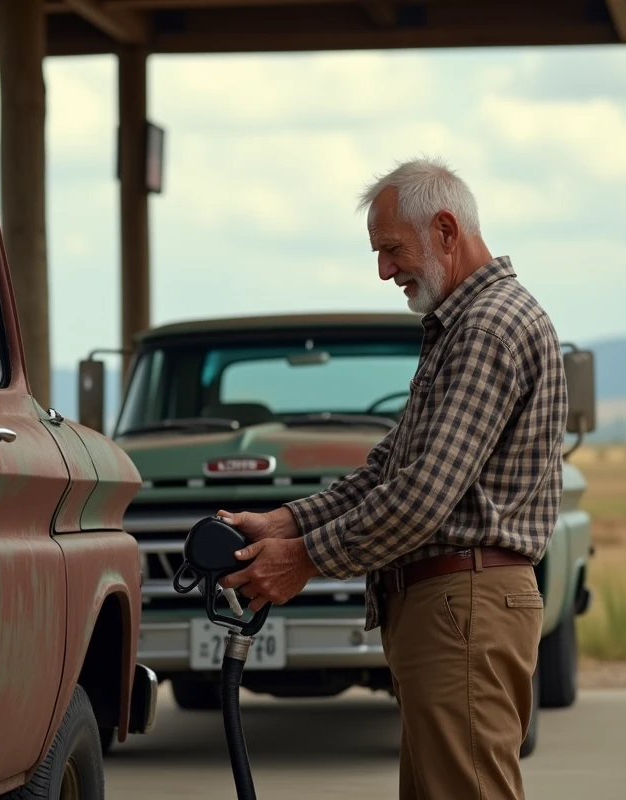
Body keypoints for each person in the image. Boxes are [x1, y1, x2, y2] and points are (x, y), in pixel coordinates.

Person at [218, 157, 568, 800]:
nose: (384, 270)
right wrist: (282, 523)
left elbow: (423, 494)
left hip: (462, 604)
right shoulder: (459, 327)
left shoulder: (488, 326)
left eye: (391, 250)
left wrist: (301, 560)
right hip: (452, 606)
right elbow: (390, 470)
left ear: (444, 229)